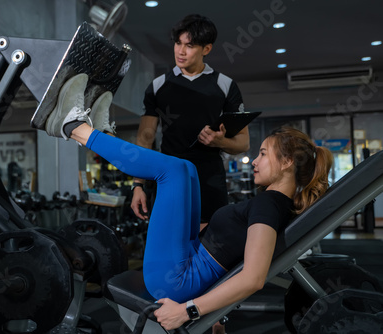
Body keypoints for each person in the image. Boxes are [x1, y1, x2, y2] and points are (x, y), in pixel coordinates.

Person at [37, 73, 334, 332]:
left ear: (288, 163)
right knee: (187, 169)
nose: (254, 161)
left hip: (176, 280)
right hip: (186, 261)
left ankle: (74, 127)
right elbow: (230, 251)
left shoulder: (269, 206)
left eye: (264, 154)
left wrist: (188, 310)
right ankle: (97, 134)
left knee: (173, 171)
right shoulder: (273, 203)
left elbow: (254, 278)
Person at [132, 14, 250, 226]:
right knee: (170, 244)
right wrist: (137, 185)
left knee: (209, 246)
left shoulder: (225, 85)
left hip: (209, 180)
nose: (181, 51)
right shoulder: (158, 86)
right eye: (178, 43)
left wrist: (220, 142)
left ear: (206, 49)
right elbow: (145, 139)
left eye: (190, 45)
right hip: (168, 177)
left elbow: (244, 143)